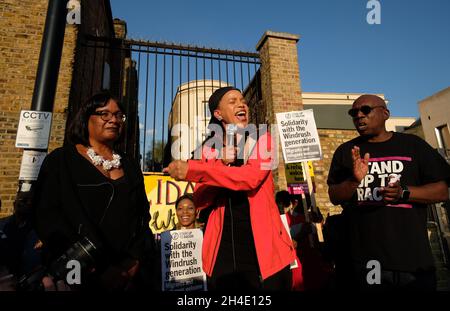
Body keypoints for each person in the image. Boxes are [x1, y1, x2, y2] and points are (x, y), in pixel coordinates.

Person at [164, 86, 296, 291]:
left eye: (242, 100)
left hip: (265, 250)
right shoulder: (209, 150)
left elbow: (250, 178)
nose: (242, 104)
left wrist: (194, 169)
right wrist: (219, 163)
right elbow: (200, 199)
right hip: (222, 250)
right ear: (218, 114)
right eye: (233, 101)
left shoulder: (263, 139)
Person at [32, 91, 155, 290]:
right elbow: (47, 218)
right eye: (104, 114)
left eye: (118, 115)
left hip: (126, 276)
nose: (113, 120)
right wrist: (98, 268)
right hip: (77, 273)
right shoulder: (61, 160)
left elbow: (142, 216)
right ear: (86, 118)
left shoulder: (130, 165)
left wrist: (133, 262)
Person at [327, 94, 450, 290]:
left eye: (365, 110)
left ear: (385, 113)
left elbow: (442, 191)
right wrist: (354, 180)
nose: (359, 115)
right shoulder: (346, 151)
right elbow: (334, 196)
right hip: (368, 262)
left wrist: (404, 193)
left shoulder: (413, 145)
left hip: (413, 261)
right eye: (354, 112)